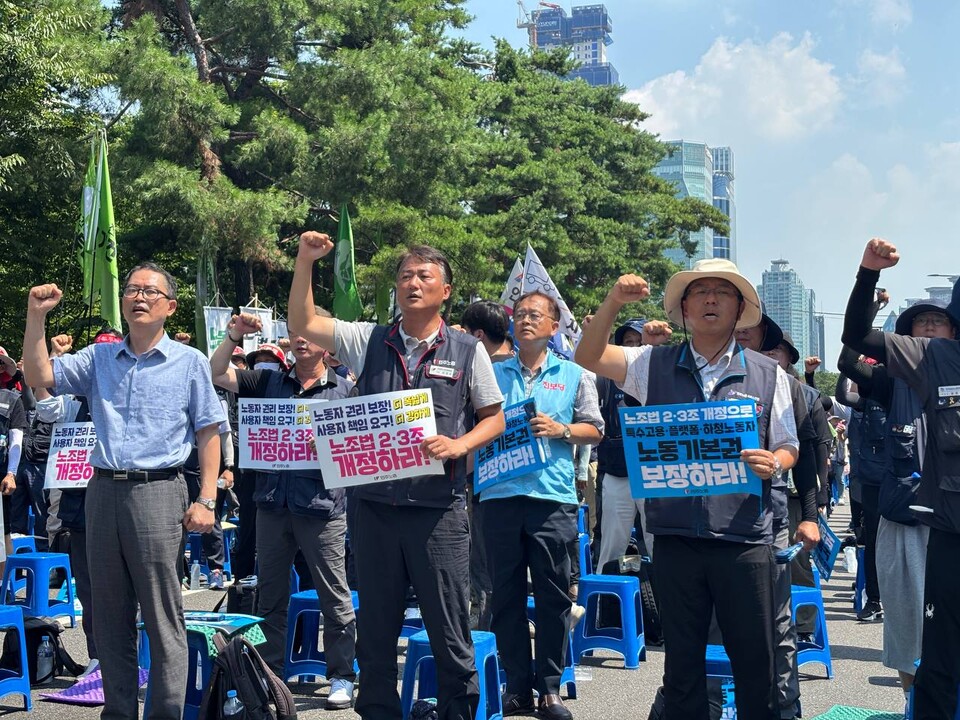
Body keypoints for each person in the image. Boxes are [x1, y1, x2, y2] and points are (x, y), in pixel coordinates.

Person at [289, 233, 505, 720]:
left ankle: (457, 711)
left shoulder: (469, 349)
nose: (413, 282)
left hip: (439, 512)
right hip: (375, 511)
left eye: (424, 276)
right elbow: (303, 322)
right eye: (406, 275)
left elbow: (495, 418)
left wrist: (460, 444)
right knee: (378, 628)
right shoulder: (367, 339)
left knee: (449, 629)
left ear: (445, 290)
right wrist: (305, 262)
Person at [575, 258, 799, 720]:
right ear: (683, 309)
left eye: (723, 291)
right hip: (674, 537)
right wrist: (614, 301)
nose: (711, 299)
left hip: (744, 540)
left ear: (740, 309)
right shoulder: (649, 363)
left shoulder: (768, 373)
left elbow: (788, 444)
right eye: (700, 292)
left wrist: (773, 462)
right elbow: (588, 356)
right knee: (681, 671)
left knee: (757, 665)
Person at [22, 263, 225, 720]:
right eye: (132, 289)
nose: (138, 297)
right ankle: (118, 711)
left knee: (161, 614)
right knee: (108, 616)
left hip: (159, 492)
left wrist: (207, 498)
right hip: (102, 491)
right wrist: (36, 316)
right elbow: (39, 373)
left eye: (150, 292)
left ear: (170, 307)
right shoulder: (99, 358)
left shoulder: (189, 362)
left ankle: (164, 713)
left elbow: (210, 432)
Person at [210, 311, 358, 708]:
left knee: (334, 594)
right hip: (273, 505)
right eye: (294, 333)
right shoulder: (267, 380)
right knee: (270, 596)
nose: (300, 340)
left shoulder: (345, 390)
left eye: (309, 334)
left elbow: (358, 447)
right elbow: (216, 374)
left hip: (323, 508)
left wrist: (329, 445)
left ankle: (342, 674)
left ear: (327, 343)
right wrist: (232, 337)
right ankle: (268, 674)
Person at [841, 238, 960, 720]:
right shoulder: (934, 361)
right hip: (934, 524)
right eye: (922, 324)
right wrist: (868, 274)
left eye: (938, 323)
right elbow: (852, 344)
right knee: (933, 651)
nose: (930, 330)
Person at [481, 291, 603, 720]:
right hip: (497, 496)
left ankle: (549, 688)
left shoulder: (573, 374)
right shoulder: (491, 372)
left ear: (555, 327)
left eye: (536, 315)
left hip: (552, 498)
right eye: (520, 315)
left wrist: (562, 428)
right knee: (505, 595)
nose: (526, 321)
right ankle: (516, 686)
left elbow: (596, 429)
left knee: (553, 597)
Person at [734, 318, 822, 720]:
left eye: (748, 327)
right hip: (707, 524)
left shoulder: (788, 387)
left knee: (777, 619)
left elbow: (806, 459)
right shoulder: (696, 376)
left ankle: (785, 704)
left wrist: (812, 514)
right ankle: (712, 700)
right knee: (715, 622)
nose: (738, 333)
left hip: (770, 516)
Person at [594, 317, 671, 574]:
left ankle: (665, 608)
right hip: (617, 472)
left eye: (640, 342)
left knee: (659, 544)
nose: (635, 347)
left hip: (654, 473)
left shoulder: (665, 374)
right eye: (628, 343)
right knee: (611, 547)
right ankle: (605, 608)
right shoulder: (604, 379)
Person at [461, 300, 515, 631]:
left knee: (482, 570)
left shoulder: (482, 371)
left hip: (484, 485)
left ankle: (482, 637)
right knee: (501, 570)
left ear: (478, 335)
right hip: (516, 486)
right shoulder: (519, 369)